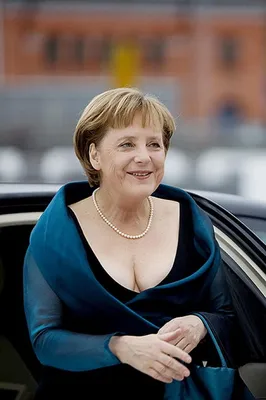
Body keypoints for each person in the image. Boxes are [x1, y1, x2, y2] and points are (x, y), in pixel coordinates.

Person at [23, 87, 236, 399]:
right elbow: (45, 341)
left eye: (154, 144)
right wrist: (120, 347)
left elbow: (227, 315)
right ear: (94, 154)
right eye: (126, 144)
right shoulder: (54, 234)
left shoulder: (193, 222)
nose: (144, 157)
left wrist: (199, 324)